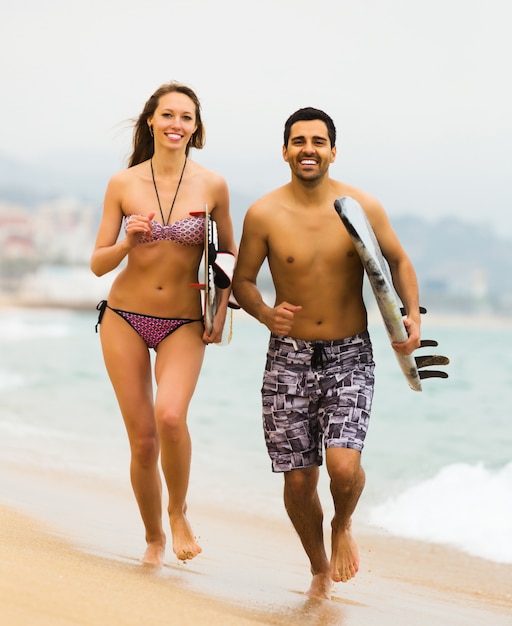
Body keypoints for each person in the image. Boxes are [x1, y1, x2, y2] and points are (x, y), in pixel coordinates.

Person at [232, 107, 420, 600]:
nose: (308, 149)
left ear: (333, 150)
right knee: (298, 481)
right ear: (285, 150)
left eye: (318, 141)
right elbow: (244, 281)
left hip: (349, 354)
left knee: (341, 466)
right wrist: (266, 314)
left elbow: (396, 262)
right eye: (298, 141)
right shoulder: (264, 213)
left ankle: (343, 525)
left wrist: (411, 319)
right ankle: (318, 568)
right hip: (287, 357)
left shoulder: (360, 206)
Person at [91, 81, 236, 566]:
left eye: (186, 117)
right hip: (124, 318)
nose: (177, 124)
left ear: (196, 128)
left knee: (171, 417)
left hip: (182, 322)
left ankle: (178, 512)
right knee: (143, 439)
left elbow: (229, 256)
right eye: (168, 115)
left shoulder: (213, 185)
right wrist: (127, 242)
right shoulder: (124, 183)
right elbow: (97, 264)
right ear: (151, 120)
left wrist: (221, 308)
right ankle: (154, 538)